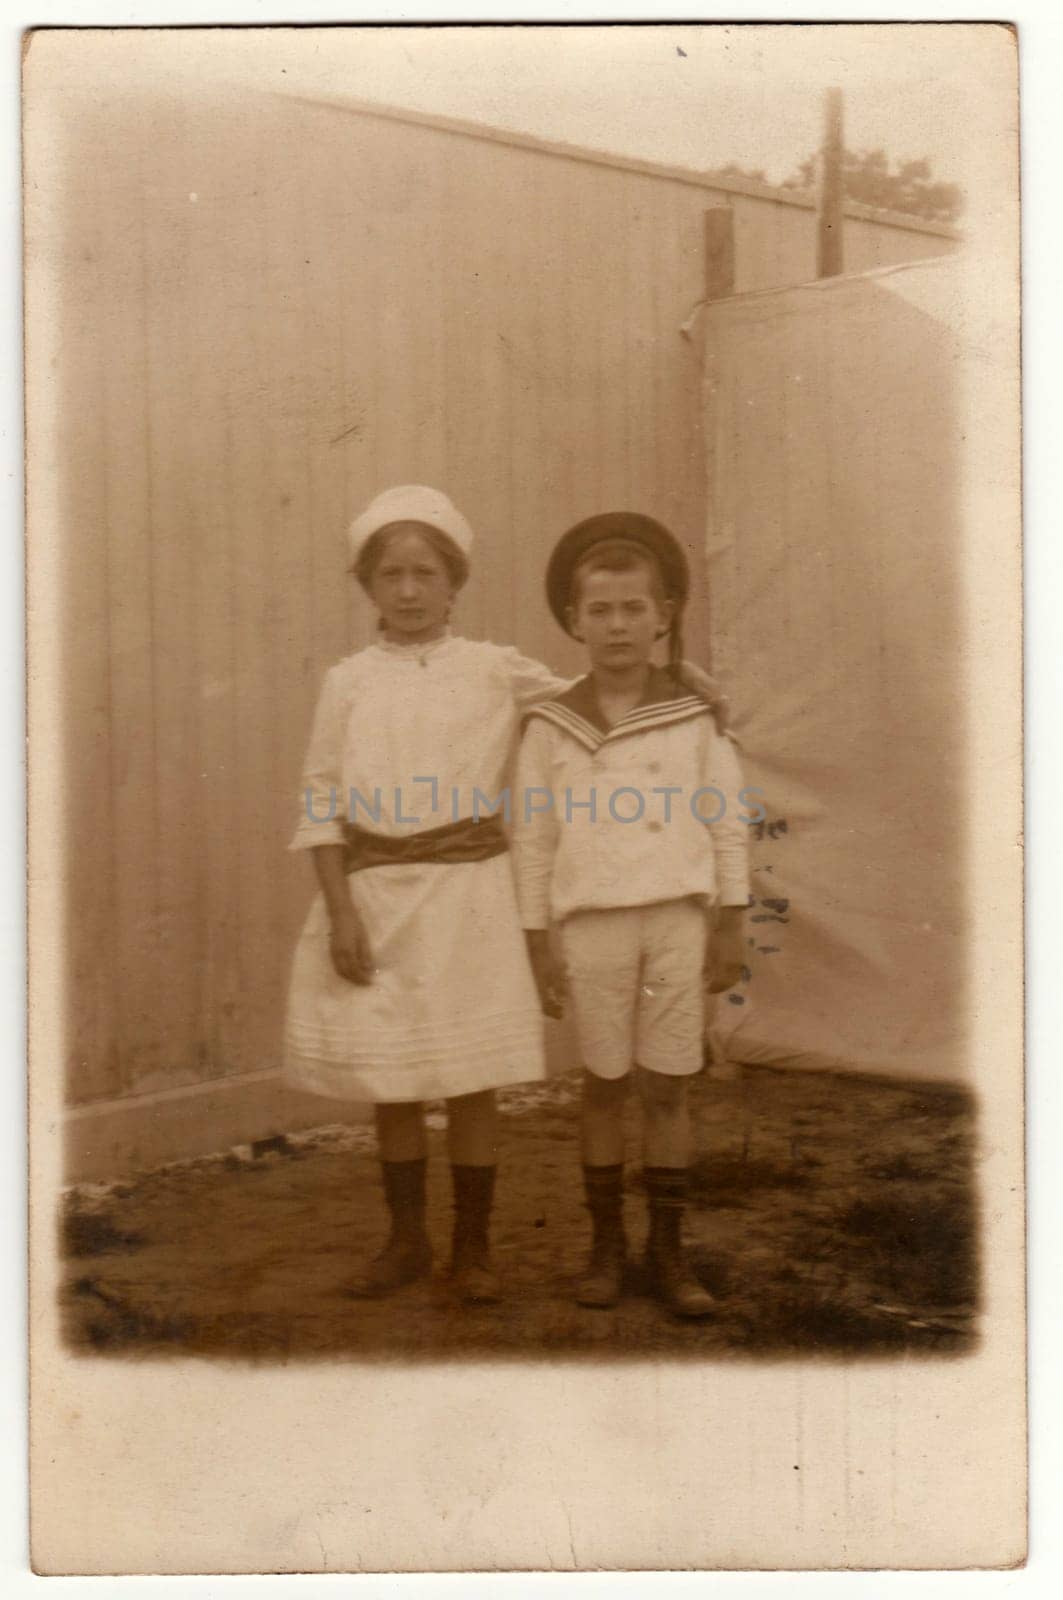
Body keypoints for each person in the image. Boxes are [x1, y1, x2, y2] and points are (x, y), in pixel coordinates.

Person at [285, 486, 729, 1308]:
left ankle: (473, 1249)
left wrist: (684, 678)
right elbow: (319, 796)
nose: (409, 592)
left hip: (470, 897)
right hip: (374, 899)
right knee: (394, 1080)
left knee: (470, 1075)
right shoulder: (346, 683)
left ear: (455, 584)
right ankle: (405, 1240)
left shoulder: (493, 669)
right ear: (368, 586)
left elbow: (600, 694)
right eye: (391, 575)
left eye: (426, 574)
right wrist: (341, 909)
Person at [511, 513, 751, 1318]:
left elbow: (724, 820)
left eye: (632, 609)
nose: (617, 626)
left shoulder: (691, 717)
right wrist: (536, 941)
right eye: (600, 611)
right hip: (592, 927)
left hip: (676, 921)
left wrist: (730, 919)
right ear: (574, 621)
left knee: (668, 1087)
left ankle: (668, 1251)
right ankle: (606, 1247)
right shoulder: (551, 725)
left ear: (663, 615)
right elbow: (533, 840)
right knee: (604, 1087)